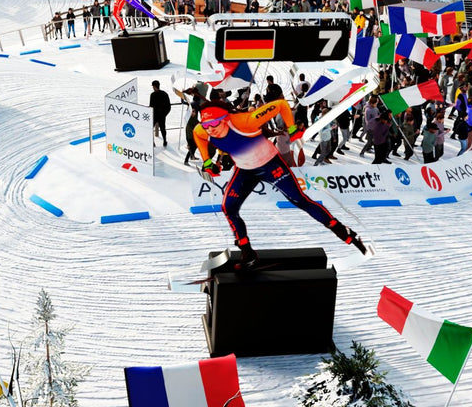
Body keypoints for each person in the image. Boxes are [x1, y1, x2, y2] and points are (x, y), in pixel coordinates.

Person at [194, 100, 368, 268]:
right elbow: (197, 135)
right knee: (228, 207)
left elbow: (282, 105)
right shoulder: (202, 130)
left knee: (300, 200)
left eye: (214, 123)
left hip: (270, 164)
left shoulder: (246, 121)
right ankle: (247, 251)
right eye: (206, 125)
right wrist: (207, 161)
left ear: (225, 119)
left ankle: (343, 232)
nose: (210, 129)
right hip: (245, 170)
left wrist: (292, 129)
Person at [148, 80, 172, 147]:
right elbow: (169, 106)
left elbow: (150, 106)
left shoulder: (152, 95)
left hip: (155, 115)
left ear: (155, 86)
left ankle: (153, 142)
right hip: (161, 115)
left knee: (150, 129)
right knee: (163, 128)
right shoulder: (164, 94)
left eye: (153, 86)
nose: (152, 87)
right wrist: (164, 114)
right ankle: (164, 141)